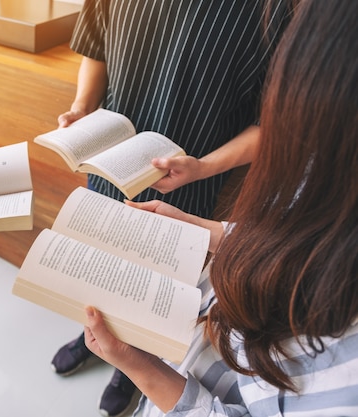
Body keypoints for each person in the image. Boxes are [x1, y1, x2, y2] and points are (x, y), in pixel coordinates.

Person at [83, 0, 358, 415]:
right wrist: (203, 229)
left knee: (155, 294)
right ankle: (95, 324)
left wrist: (139, 367)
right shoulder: (323, 180)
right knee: (99, 266)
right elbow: (296, 243)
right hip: (117, 169)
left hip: (190, 182)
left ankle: (124, 357)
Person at [51, 1, 297, 415]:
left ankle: (133, 362)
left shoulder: (275, 10)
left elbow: (272, 121)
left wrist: (203, 167)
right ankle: (90, 331)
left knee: (157, 282)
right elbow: (95, 47)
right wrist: (82, 108)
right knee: (98, 256)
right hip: (108, 160)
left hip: (190, 177)